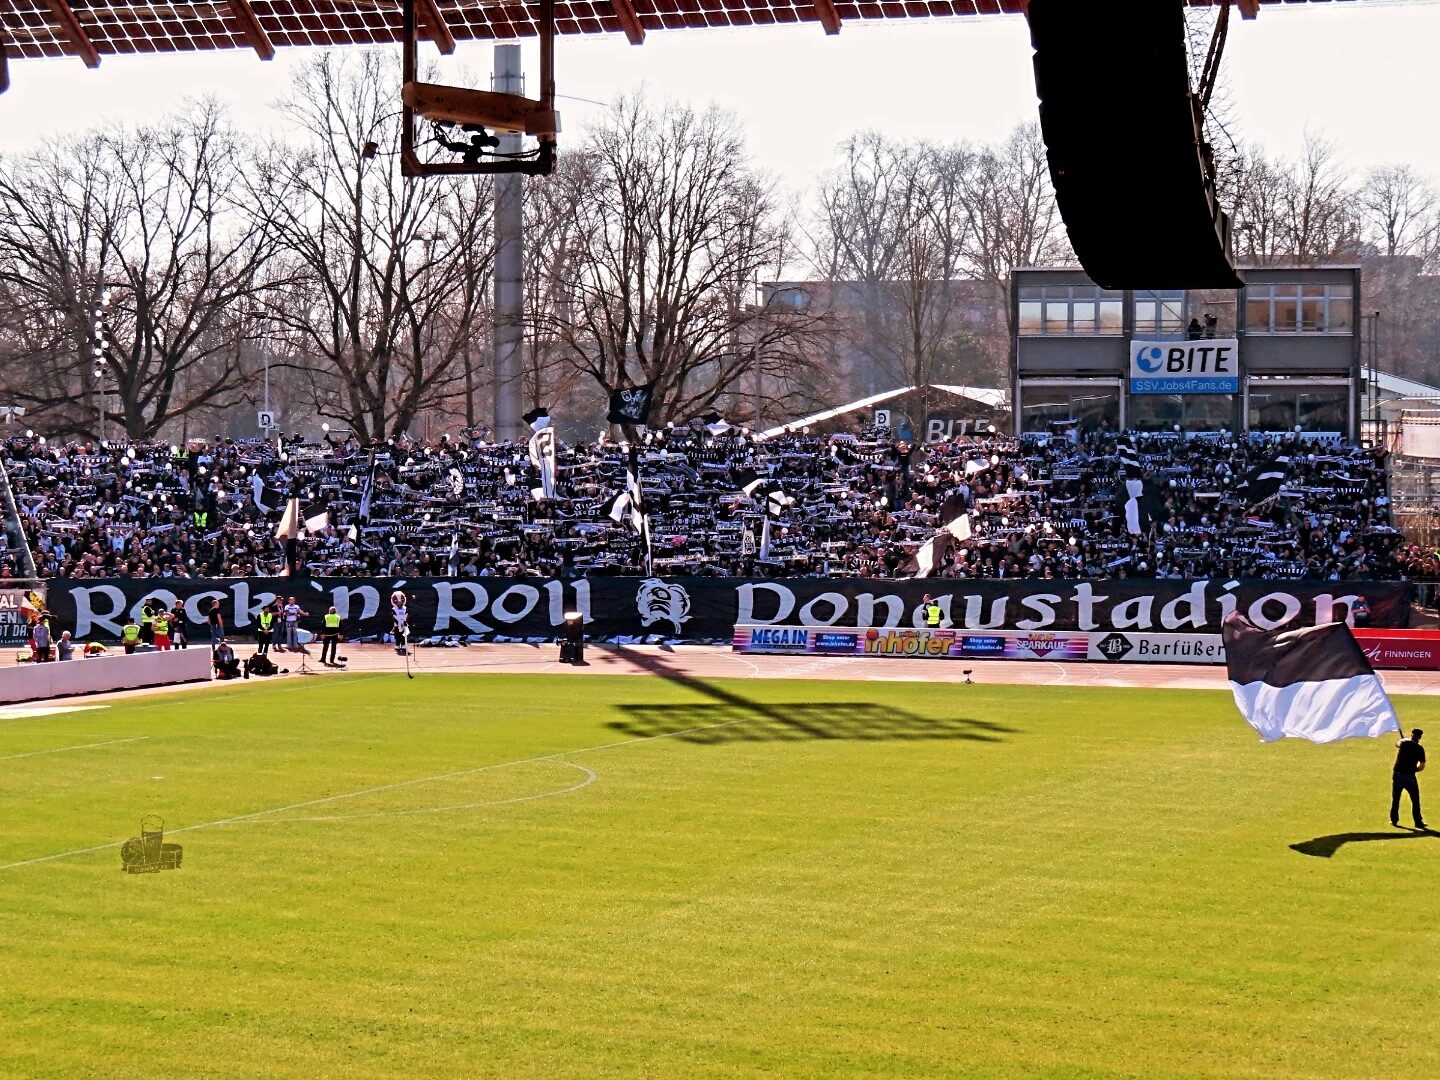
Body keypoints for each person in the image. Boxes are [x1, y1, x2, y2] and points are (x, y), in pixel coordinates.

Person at [1392, 728, 1427, 829]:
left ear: (1411, 734)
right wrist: (1415, 770)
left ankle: (1394, 820)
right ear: (1420, 737)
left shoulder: (1403, 743)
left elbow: (1397, 744)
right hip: (1410, 776)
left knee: (1396, 798)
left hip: (1398, 774)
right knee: (1415, 799)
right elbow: (1422, 765)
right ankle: (1418, 822)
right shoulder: (1420, 748)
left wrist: (1403, 740)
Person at [392, 591, 409, 656]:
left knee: (404, 635)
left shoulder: (405, 608)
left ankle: (404, 645)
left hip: (404, 624)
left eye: (401, 602)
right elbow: (393, 616)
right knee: (397, 635)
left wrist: (404, 622)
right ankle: (397, 645)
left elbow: (407, 615)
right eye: (397, 602)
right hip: (397, 625)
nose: (399, 603)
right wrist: (398, 623)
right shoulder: (394, 609)